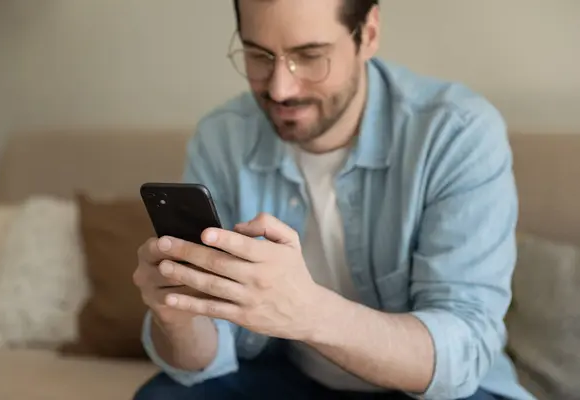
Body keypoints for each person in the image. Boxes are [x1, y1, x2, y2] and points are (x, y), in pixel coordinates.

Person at [132, 0, 536, 399]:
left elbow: (462, 350)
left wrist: (308, 312)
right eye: (259, 55)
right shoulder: (222, 138)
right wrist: (178, 318)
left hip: (428, 388)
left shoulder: (457, 133)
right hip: (289, 375)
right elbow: (208, 350)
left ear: (369, 33)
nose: (279, 88)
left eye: (309, 57)